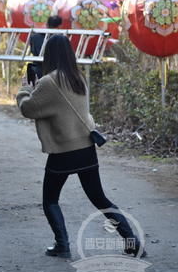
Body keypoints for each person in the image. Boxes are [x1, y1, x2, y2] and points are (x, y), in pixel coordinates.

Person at [16, 35, 145, 258]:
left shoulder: (49, 82)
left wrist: (24, 89)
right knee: (99, 198)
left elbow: (29, 109)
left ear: (49, 54)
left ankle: (62, 245)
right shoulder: (78, 78)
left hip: (63, 152)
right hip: (86, 147)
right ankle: (132, 242)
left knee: (50, 200)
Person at [26, 15, 62, 83]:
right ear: (60, 26)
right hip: (54, 75)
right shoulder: (61, 38)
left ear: (47, 24)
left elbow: (32, 51)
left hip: (37, 73)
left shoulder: (34, 37)